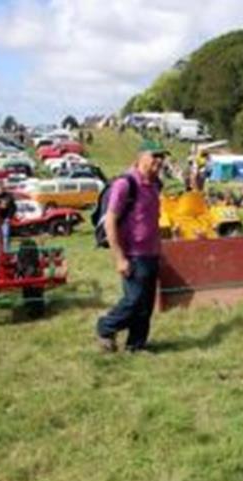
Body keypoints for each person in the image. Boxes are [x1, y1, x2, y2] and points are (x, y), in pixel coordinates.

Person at [96, 140, 168, 354]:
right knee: (133, 301)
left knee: (146, 306)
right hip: (133, 254)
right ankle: (105, 327)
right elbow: (110, 221)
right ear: (140, 157)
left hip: (151, 253)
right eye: (154, 155)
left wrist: (160, 249)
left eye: (162, 157)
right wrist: (119, 258)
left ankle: (136, 346)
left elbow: (152, 220)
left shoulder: (155, 184)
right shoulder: (125, 184)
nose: (159, 161)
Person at [0, 183, 17, 252]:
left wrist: (9, 217)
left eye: (1, 188)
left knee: (6, 235)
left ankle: (6, 251)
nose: (0, 189)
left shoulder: (8, 197)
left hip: (5, 219)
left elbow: (13, 207)